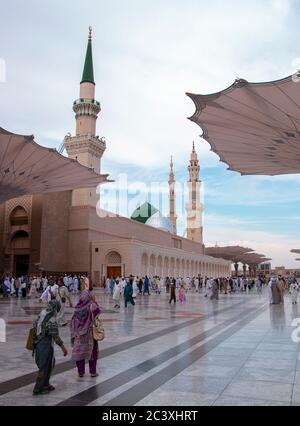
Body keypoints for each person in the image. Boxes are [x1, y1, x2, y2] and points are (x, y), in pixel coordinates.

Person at [32, 300, 68, 395]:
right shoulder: (51, 318)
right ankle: (38, 388)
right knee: (44, 366)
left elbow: (35, 324)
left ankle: (45, 384)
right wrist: (63, 348)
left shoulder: (42, 312)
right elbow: (55, 335)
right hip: (45, 344)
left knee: (49, 364)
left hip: (39, 342)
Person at [70, 288, 101, 378]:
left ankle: (81, 372)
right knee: (92, 352)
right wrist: (94, 301)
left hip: (79, 335)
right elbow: (98, 311)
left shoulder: (77, 308)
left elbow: (73, 321)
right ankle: (93, 372)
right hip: (90, 334)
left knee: (79, 353)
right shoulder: (92, 306)